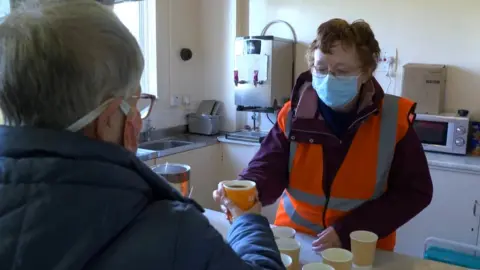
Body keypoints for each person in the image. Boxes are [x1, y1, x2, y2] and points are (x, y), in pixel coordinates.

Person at [0, 1, 284, 269]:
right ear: (108, 119)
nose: (137, 118)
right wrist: (249, 222)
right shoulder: (172, 232)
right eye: (135, 104)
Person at [217, 18, 433, 252]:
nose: (329, 78)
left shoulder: (393, 120)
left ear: (366, 72)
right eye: (320, 69)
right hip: (295, 243)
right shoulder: (293, 114)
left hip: (361, 248)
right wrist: (246, 189)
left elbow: (414, 192)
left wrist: (348, 231)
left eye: (342, 71)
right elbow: (268, 166)